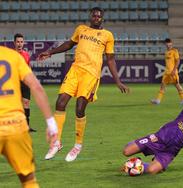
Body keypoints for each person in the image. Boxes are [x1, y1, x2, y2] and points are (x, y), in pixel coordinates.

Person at [38, 7, 129, 162]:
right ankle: (56, 143)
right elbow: (68, 44)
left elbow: (111, 59)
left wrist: (117, 80)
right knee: (60, 103)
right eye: (94, 16)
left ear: (102, 19)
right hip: (75, 70)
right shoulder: (81, 29)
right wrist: (50, 52)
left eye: (99, 16)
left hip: (91, 74)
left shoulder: (107, 35)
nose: (96, 18)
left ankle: (78, 145)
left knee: (80, 108)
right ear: (90, 17)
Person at [0, 46, 58, 188]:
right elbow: (36, 87)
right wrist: (51, 123)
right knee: (28, 180)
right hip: (15, 125)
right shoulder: (12, 56)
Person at [151, 38, 183, 105]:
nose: (168, 45)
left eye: (169, 43)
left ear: (171, 43)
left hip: (173, 72)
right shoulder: (166, 52)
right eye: (167, 43)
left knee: (177, 85)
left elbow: (178, 61)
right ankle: (158, 100)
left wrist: (174, 70)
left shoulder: (174, 51)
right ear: (165, 44)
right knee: (162, 85)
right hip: (167, 72)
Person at [13, 33, 37, 132]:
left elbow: (28, 67)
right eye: (18, 42)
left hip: (25, 82)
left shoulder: (26, 54)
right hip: (14, 82)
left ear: (23, 43)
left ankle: (26, 126)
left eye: (21, 42)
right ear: (14, 43)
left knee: (26, 103)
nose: (20, 44)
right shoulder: (11, 55)